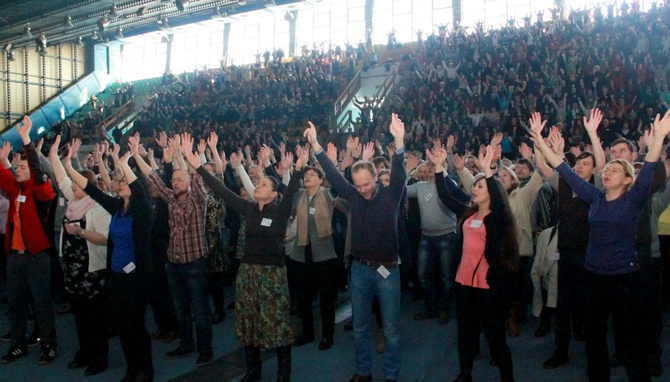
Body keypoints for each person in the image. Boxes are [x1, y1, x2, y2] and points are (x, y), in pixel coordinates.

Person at [529, 110, 670, 382]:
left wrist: (659, 138)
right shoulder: (595, 197)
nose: (607, 172)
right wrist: (539, 140)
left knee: (629, 340)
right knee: (595, 340)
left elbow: (650, 167)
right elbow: (564, 170)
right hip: (593, 276)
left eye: (615, 170)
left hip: (624, 278)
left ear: (628, 179)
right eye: (606, 170)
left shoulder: (634, 199)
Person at [183, 143, 305, 382]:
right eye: (257, 183)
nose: (257, 186)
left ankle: (283, 373)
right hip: (248, 271)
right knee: (249, 320)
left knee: (277, 321)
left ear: (273, 194)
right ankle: (253, 370)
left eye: (263, 184)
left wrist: (297, 171)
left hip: (272, 273)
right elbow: (222, 191)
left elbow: (291, 192)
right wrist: (199, 167)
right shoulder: (248, 209)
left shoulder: (279, 212)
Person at [306, 114, 406, 382]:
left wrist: (399, 141)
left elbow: (399, 172)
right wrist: (316, 145)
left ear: (376, 177)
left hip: (388, 269)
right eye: (358, 185)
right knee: (360, 328)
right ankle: (364, 372)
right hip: (360, 270)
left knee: (392, 330)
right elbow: (334, 174)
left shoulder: (392, 194)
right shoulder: (351, 193)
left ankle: (391, 376)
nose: (362, 189)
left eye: (367, 184)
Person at [428, 145, 517, 382]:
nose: (474, 189)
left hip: (488, 284)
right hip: (464, 280)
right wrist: (438, 168)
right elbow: (446, 197)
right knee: (465, 332)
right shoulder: (469, 213)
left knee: (495, 335)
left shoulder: (497, 216)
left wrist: (487, 170)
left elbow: (498, 203)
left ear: (492, 191)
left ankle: (507, 378)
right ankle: (465, 373)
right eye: (474, 186)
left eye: (480, 186)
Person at [67, 141, 154, 382]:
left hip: (136, 278)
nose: (122, 183)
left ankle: (145, 368)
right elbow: (92, 189)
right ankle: (131, 367)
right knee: (123, 326)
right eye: (121, 181)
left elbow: (138, 187)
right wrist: (69, 167)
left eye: (126, 182)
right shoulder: (116, 207)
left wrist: (123, 162)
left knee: (136, 325)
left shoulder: (142, 210)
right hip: (116, 275)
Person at [133, 134, 213, 367]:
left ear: (188, 182)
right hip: (173, 264)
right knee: (181, 310)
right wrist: (137, 155)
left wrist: (189, 156)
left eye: (180, 179)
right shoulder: (171, 199)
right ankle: (187, 344)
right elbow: (153, 177)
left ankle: (205, 349)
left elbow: (198, 180)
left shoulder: (199, 200)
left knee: (200, 311)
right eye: (174, 179)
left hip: (194, 264)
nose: (175, 182)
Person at [49, 135, 111, 376]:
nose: (71, 187)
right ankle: (84, 352)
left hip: (92, 271)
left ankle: (99, 357)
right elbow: (60, 177)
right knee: (80, 316)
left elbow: (106, 238)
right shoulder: (74, 200)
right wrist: (55, 154)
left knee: (95, 318)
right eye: (73, 184)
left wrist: (81, 231)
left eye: (76, 184)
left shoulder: (98, 207)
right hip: (73, 270)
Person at [0, 116, 58, 366]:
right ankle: (18, 344)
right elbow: (2, 173)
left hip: (37, 257)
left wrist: (26, 140)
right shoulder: (15, 189)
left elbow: (35, 170)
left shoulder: (41, 190)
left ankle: (48, 345)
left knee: (42, 304)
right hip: (14, 257)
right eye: (17, 167)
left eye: (21, 168)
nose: (17, 169)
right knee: (15, 305)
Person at [290, 162, 340, 351]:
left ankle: (327, 336)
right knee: (303, 298)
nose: (308, 176)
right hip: (301, 253)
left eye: (312, 174)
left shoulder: (327, 195)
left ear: (321, 180)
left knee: (326, 299)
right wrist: (295, 168)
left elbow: (338, 185)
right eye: (306, 174)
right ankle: (308, 332)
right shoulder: (298, 196)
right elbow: (283, 188)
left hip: (324, 255)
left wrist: (335, 165)